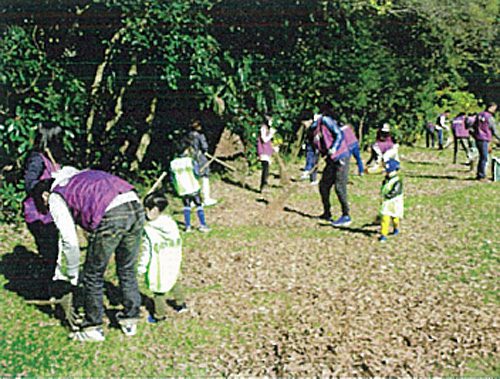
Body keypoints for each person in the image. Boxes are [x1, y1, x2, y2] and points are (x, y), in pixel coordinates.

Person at [32, 168, 145, 341]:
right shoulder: (79, 177)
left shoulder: (56, 196)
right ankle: (130, 319)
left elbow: (70, 242)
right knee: (127, 267)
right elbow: (89, 213)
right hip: (135, 204)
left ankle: (93, 327)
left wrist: (72, 274)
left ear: (44, 195)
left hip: (112, 214)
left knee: (93, 274)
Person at [23, 122, 62, 298]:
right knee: (49, 253)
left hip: (52, 214)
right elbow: (30, 183)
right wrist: (46, 187)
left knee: (55, 252)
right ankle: (46, 291)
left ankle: (51, 287)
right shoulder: (37, 158)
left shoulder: (53, 157)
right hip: (38, 214)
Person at [138, 192, 187, 323]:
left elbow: (147, 251)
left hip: (159, 264)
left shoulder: (149, 229)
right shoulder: (171, 223)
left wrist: (141, 268)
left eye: (146, 209)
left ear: (153, 210)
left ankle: (160, 315)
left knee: (158, 291)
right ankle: (181, 304)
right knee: (173, 279)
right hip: (173, 259)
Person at [309, 104, 351, 227]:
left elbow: (339, 134)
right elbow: (313, 150)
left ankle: (346, 215)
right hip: (330, 160)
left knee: (339, 187)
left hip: (341, 156)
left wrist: (333, 148)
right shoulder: (312, 130)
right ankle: (327, 213)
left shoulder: (325, 121)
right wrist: (308, 169)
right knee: (323, 186)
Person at [170, 143, 210, 233]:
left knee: (186, 207)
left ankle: (187, 226)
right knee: (198, 205)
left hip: (182, 189)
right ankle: (203, 225)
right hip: (193, 187)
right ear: (185, 150)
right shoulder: (190, 161)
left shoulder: (173, 163)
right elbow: (196, 173)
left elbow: (172, 178)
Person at [189, 119, 217, 206]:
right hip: (200, 158)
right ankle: (206, 198)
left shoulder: (189, 135)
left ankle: (193, 200)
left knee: (194, 179)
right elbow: (205, 147)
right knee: (205, 178)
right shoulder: (200, 136)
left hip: (191, 158)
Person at [379, 159, 404, 243]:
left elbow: (395, 191)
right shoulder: (386, 180)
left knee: (395, 217)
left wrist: (388, 195)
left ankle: (396, 227)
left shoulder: (397, 181)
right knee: (385, 218)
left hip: (394, 203)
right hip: (386, 203)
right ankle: (383, 234)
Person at [472, 102, 499, 181]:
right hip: (485, 138)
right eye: (494, 108)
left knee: (482, 157)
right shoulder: (489, 117)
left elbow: (472, 125)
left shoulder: (478, 115)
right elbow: (494, 129)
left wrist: (474, 134)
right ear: (490, 108)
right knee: (484, 157)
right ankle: (481, 175)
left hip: (478, 138)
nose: (495, 110)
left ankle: (479, 173)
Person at [257, 115, 276, 193]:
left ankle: (265, 185)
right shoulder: (263, 128)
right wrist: (271, 134)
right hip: (263, 150)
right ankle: (263, 185)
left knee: (267, 169)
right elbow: (264, 139)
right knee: (265, 168)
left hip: (267, 150)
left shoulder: (268, 128)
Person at [300, 114, 319, 184]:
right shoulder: (309, 127)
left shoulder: (315, 126)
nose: (304, 125)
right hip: (310, 145)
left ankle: (313, 178)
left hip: (316, 145)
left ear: (310, 121)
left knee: (314, 161)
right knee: (309, 157)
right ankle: (307, 172)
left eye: (305, 123)